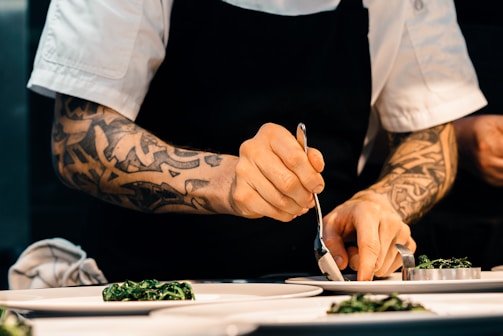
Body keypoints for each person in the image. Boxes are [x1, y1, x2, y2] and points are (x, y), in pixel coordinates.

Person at [27, 0, 487, 282]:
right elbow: (78, 137)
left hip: (324, 295)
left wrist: (384, 202)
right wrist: (224, 179)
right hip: (149, 293)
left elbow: (429, 130)